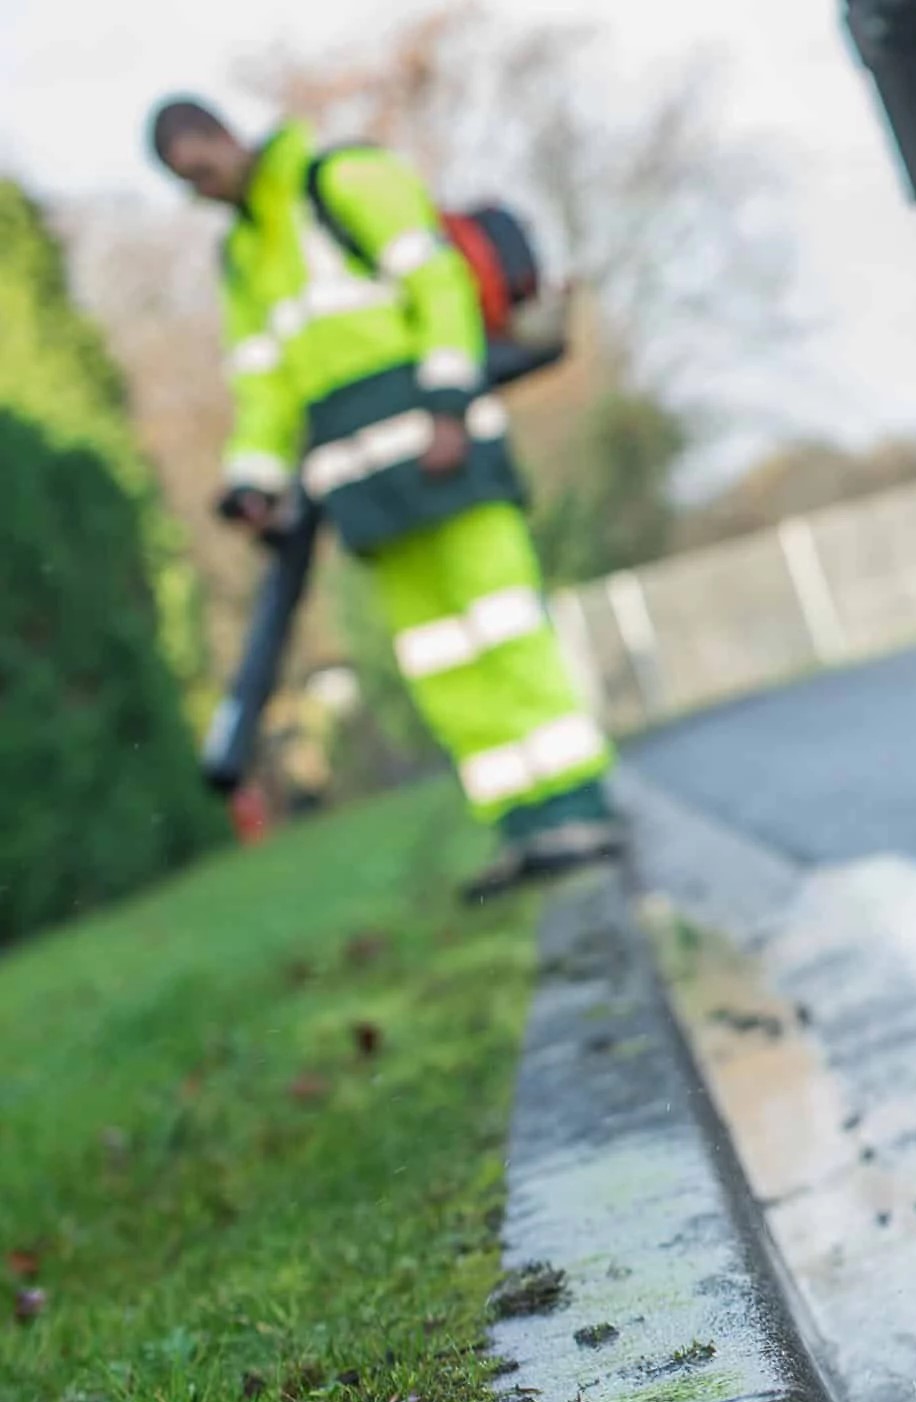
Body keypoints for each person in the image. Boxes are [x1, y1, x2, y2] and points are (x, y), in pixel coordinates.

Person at [150, 95, 618, 898]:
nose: (205, 190)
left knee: (505, 625)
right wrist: (254, 478)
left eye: (202, 170)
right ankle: (522, 825)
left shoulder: (343, 181)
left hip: (446, 452)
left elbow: (439, 284)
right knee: (439, 657)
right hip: (362, 487)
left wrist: (448, 404)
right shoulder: (243, 257)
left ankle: (579, 808)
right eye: (187, 185)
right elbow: (262, 384)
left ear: (221, 137)